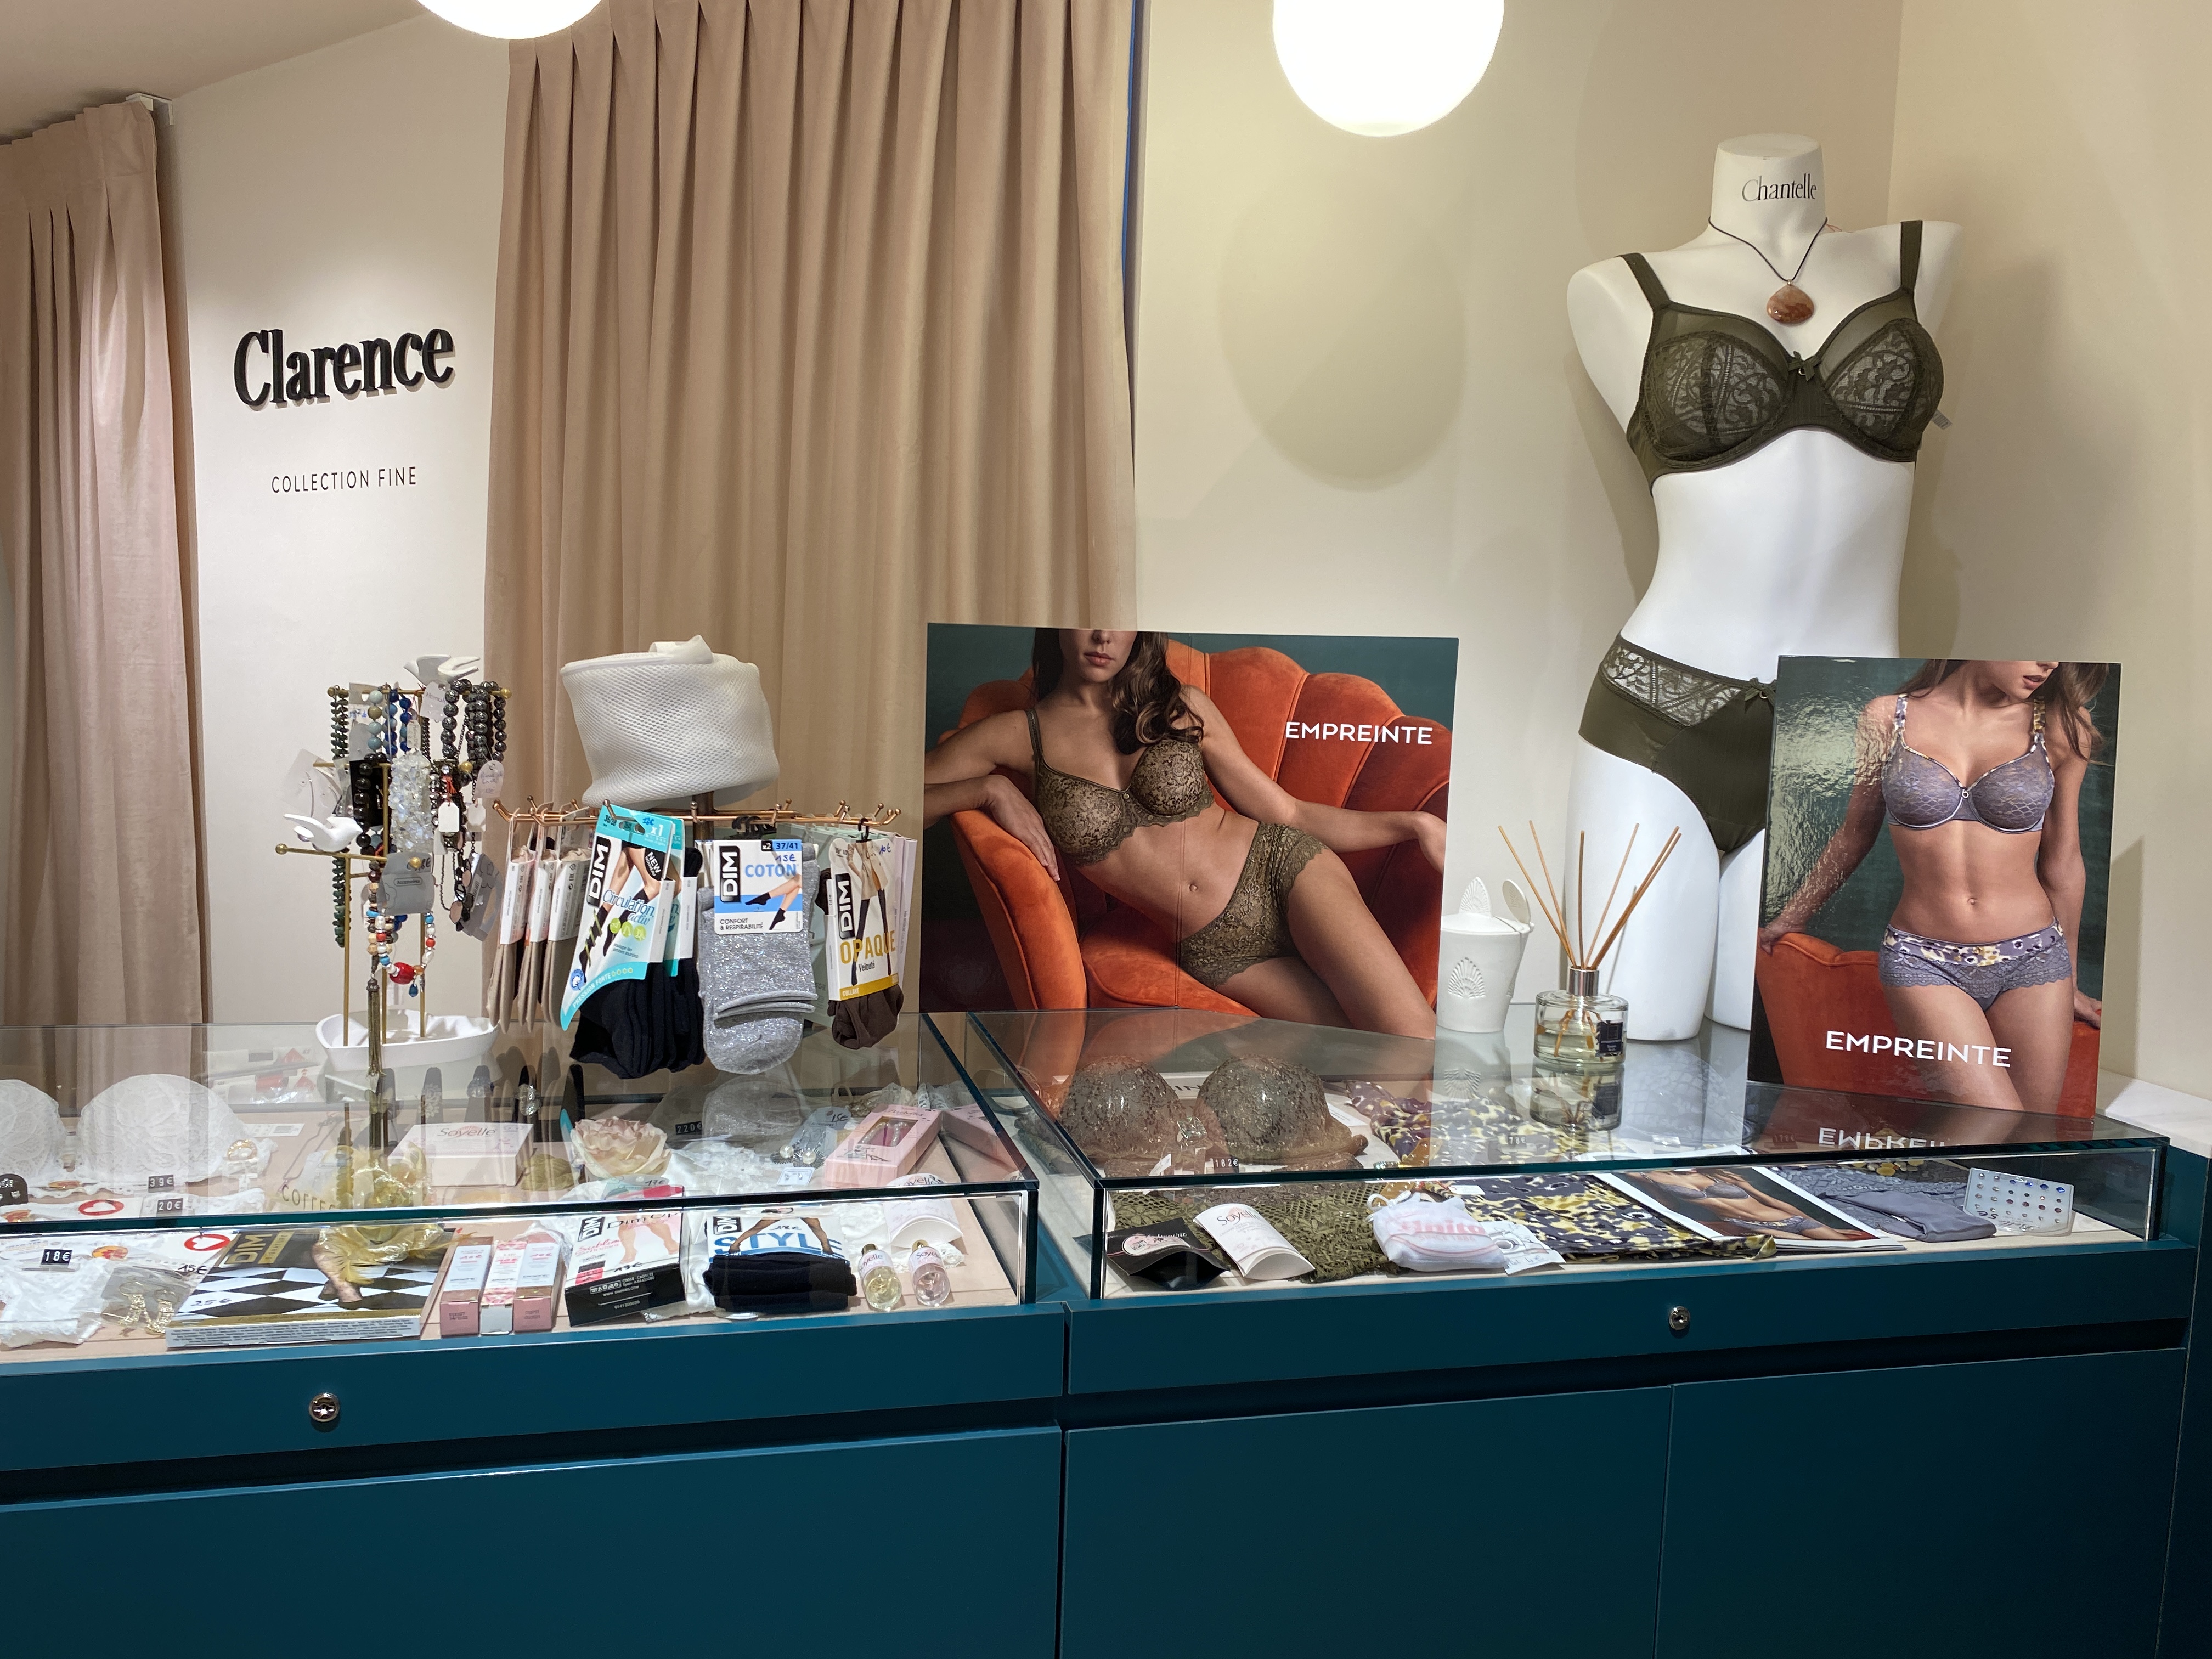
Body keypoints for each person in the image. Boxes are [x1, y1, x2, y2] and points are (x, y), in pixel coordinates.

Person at [924, 629, 1444, 1037]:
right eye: (1086, 618)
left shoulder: (1179, 706)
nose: (1103, 635)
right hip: (1218, 949)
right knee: (1362, 1058)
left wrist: (1413, 823)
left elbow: (1287, 811)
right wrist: (987, 790)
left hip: (1280, 870)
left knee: (1413, 1042)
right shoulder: (1018, 735)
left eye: (1119, 621)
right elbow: (891, 805)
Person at [1758, 661, 2104, 1113]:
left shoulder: (2062, 725)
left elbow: (2064, 861)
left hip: (2036, 958)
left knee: (2032, 1131)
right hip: (1924, 960)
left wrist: (2070, 980)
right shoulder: (1887, 717)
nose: (2050, 663)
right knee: (1993, 1120)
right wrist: (1791, 916)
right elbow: (1855, 833)